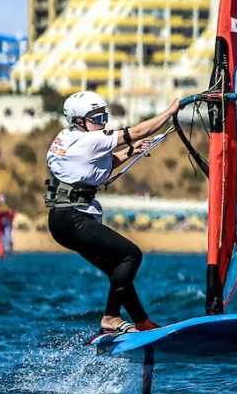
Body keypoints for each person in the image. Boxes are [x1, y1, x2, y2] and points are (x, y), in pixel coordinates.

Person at [46, 91, 178, 335]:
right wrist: (170, 112)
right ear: (78, 120)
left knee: (117, 268)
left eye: (103, 117)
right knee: (131, 255)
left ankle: (142, 322)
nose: (102, 123)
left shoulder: (65, 138)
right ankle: (111, 317)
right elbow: (138, 131)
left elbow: (96, 166)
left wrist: (131, 151)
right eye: (96, 118)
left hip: (60, 220)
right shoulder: (89, 140)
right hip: (74, 218)